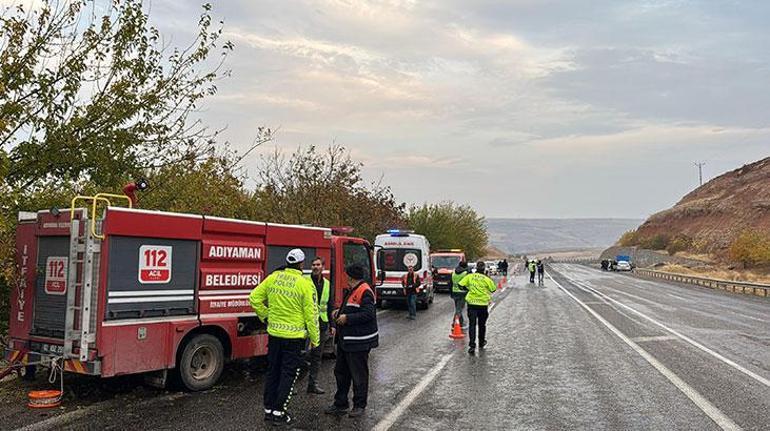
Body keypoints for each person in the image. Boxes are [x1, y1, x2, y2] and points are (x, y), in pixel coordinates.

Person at [249, 249, 320, 426]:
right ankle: (279, 412)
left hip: (274, 335)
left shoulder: (273, 278)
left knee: (273, 371)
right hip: (294, 338)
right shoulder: (305, 284)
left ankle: (268, 409)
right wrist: (315, 339)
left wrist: (265, 316)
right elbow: (311, 315)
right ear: (302, 264)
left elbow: (254, 298)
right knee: (288, 374)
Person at [325, 265, 379, 418]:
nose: (345, 277)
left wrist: (346, 318)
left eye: (346, 275)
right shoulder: (353, 290)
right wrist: (339, 312)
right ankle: (340, 403)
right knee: (341, 373)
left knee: (359, 375)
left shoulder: (365, 291)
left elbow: (368, 314)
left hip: (358, 342)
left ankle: (359, 405)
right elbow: (352, 307)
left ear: (350, 277)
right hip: (346, 341)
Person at [305, 257, 333, 395]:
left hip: (321, 324)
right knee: (301, 354)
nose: (315, 267)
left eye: (318, 265)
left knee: (317, 356)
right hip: (305, 324)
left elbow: (329, 305)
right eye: (313, 264)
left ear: (323, 267)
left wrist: (332, 324)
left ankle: (312, 384)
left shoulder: (327, 284)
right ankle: (291, 384)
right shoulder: (305, 281)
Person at [458, 261, 497, 354]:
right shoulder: (486, 279)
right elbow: (493, 289)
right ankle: (481, 342)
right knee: (482, 325)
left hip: (472, 304)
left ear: (476, 268)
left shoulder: (470, 277)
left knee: (472, 324)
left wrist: (468, 289)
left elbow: (460, 285)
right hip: (483, 305)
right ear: (484, 269)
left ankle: (472, 345)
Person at [451, 261, 469, 328]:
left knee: (458, 308)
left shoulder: (453, 272)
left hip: (454, 292)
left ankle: (461, 323)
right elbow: (467, 283)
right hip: (462, 292)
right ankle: (454, 323)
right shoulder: (465, 273)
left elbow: (450, 283)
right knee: (459, 309)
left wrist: (451, 293)